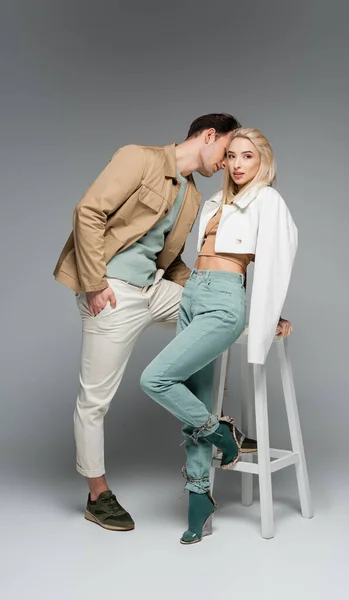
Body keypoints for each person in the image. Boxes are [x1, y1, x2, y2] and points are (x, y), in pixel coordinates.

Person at [53, 114, 242, 531]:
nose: (227, 163)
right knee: (95, 401)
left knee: (223, 319)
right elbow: (88, 212)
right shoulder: (138, 158)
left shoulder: (191, 195)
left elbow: (169, 260)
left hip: (153, 289)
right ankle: (97, 496)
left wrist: (210, 295)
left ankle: (219, 429)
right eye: (226, 151)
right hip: (113, 291)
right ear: (208, 136)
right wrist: (94, 282)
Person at [140, 127, 298, 544]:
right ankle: (199, 503)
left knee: (155, 378)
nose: (238, 164)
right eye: (231, 156)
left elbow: (275, 262)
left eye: (248, 156)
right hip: (193, 293)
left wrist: (269, 315)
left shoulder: (268, 200)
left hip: (226, 301)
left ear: (262, 159)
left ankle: (223, 435)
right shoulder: (214, 200)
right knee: (193, 398)